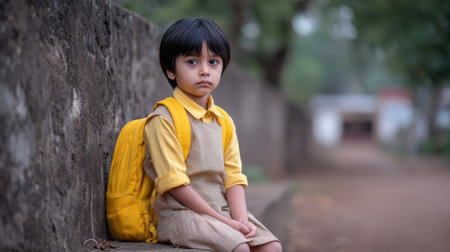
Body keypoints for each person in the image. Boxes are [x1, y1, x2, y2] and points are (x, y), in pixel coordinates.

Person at [143, 17, 282, 252]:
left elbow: (233, 176)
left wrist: (240, 221)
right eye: (192, 61)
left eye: (214, 61)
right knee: (239, 247)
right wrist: (225, 224)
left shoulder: (223, 121)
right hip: (180, 214)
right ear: (170, 70)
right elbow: (175, 184)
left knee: (271, 247)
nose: (205, 71)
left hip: (220, 210)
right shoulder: (163, 119)